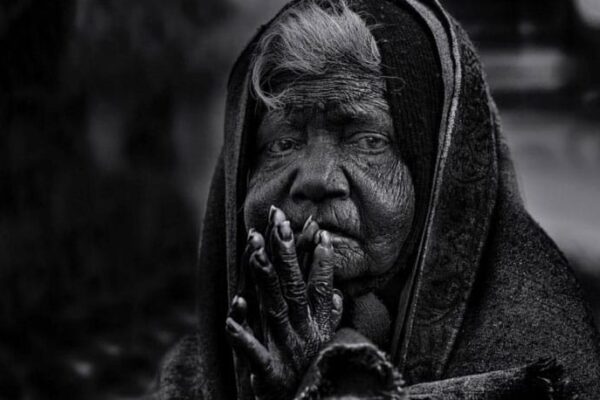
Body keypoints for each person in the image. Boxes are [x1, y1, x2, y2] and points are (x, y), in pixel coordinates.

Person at [154, 0, 600, 398]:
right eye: (282, 143)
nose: (316, 179)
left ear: (440, 182)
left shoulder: (541, 364)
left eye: (367, 139)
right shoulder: (196, 376)